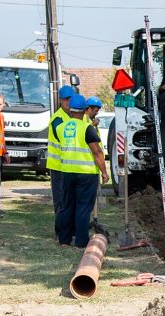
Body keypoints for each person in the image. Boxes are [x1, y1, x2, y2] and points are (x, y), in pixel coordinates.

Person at [54, 95, 109, 248]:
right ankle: (81, 241)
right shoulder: (87, 128)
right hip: (86, 173)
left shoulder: (60, 128)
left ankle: (64, 239)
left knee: (67, 206)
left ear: (70, 109)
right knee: (83, 208)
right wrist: (104, 172)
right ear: (85, 110)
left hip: (67, 172)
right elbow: (97, 152)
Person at [47, 85, 76, 231]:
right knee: (60, 201)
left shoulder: (73, 116)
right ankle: (60, 231)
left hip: (69, 166)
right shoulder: (57, 119)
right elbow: (64, 138)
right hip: (58, 166)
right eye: (65, 100)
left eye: (70, 99)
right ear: (60, 100)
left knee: (69, 200)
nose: (68, 102)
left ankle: (68, 229)